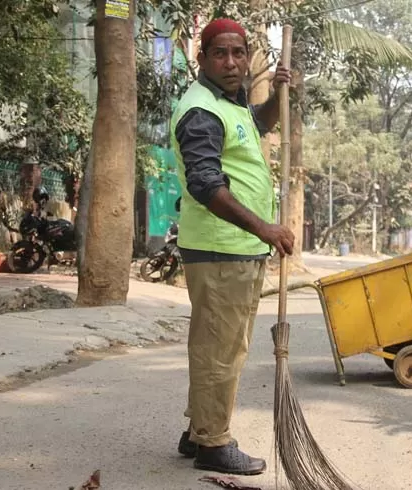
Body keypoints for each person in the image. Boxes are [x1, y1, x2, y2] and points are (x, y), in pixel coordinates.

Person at [171, 18, 295, 476]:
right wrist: (264, 228)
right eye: (220, 54)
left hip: (236, 248)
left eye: (239, 53)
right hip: (222, 248)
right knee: (221, 348)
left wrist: (278, 97)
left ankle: (197, 430)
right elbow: (205, 184)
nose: (231, 62)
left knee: (216, 343)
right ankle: (213, 442)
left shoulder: (231, 101)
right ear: (201, 59)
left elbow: (258, 125)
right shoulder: (200, 109)